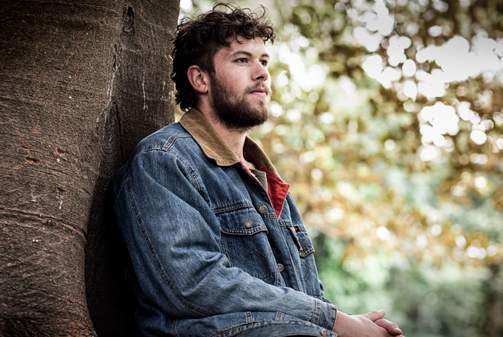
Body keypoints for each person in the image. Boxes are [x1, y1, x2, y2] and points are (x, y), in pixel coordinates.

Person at [113, 3, 404, 337]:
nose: (262, 72)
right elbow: (193, 283)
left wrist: (350, 324)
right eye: (242, 60)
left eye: (264, 61)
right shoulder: (165, 159)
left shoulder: (269, 182)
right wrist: (335, 321)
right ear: (200, 78)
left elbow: (307, 294)